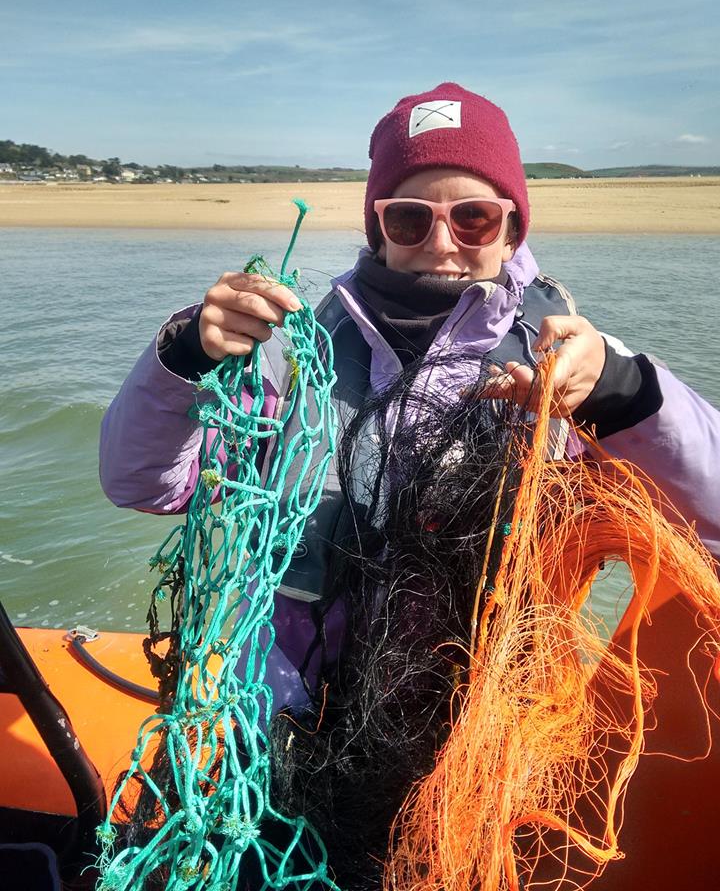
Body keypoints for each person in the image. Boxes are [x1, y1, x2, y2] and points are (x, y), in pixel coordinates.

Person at [99, 83, 720, 878]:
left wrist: (625, 390)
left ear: (512, 225)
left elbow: (707, 518)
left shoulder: (572, 364)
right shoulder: (295, 359)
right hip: (290, 739)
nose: (441, 241)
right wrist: (185, 358)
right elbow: (140, 481)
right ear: (378, 227)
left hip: (487, 748)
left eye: (473, 218)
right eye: (409, 217)